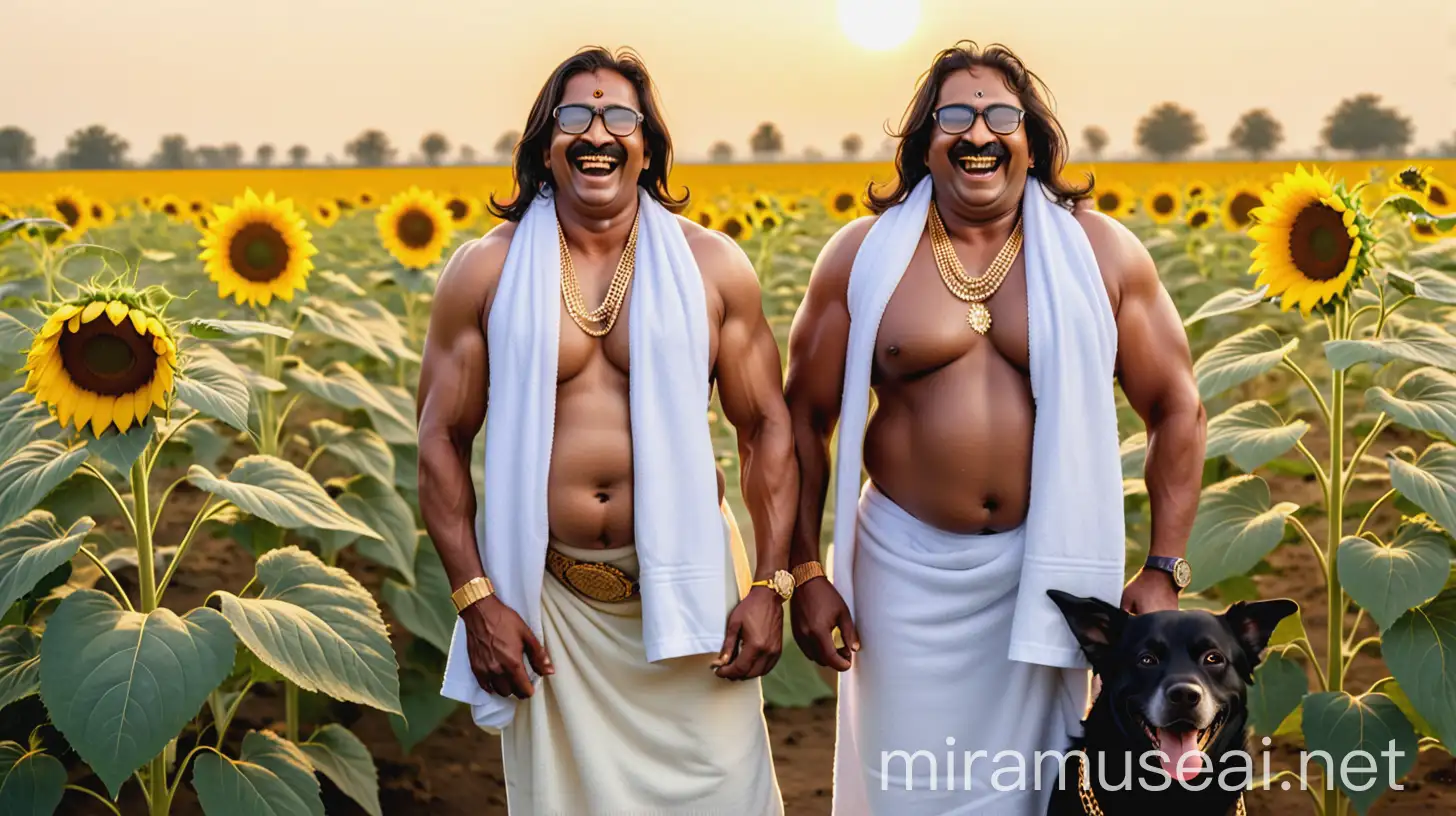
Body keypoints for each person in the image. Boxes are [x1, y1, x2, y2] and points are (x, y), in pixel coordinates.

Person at [784, 41, 1207, 815]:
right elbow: (802, 420)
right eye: (955, 115)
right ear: (924, 141)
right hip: (901, 574)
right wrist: (807, 572)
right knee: (906, 786)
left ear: (1032, 137)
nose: (978, 132)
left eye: (1000, 114)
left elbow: (1177, 406)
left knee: (1040, 794)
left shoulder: (1101, 254)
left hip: (1047, 575)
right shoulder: (862, 256)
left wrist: (1164, 565)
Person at [417, 45, 795, 815]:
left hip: (691, 604)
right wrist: (476, 599)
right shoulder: (484, 272)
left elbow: (766, 431)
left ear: (647, 144)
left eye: (618, 115)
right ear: (543, 146)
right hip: (551, 610)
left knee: (725, 793)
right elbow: (440, 440)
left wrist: (770, 586)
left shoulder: (713, 267)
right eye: (575, 117)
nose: (597, 132)